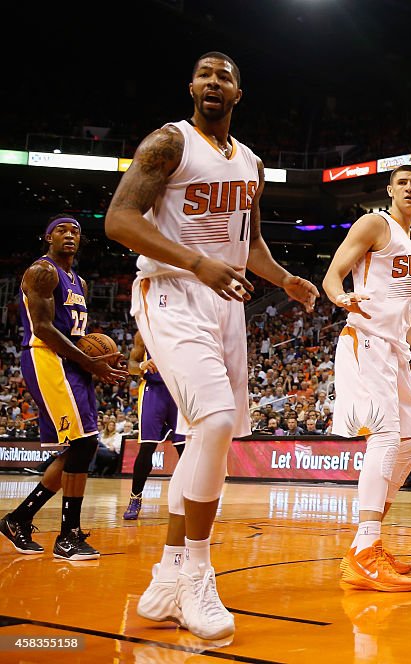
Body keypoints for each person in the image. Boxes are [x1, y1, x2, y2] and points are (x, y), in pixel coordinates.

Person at [105, 52, 320, 641]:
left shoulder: (248, 161)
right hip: (171, 289)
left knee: (209, 436)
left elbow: (247, 244)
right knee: (218, 421)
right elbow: (119, 221)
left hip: (226, 298)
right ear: (191, 87)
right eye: (203, 74)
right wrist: (198, 262)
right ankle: (198, 572)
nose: (211, 83)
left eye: (223, 76)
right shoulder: (168, 143)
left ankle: (169, 575)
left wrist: (284, 279)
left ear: (238, 93)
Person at [322, 164, 411, 592]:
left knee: (409, 446)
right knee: (384, 436)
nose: (410, 188)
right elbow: (332, 274)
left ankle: (370, 543)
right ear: (390, 189)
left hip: (395, 349)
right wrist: (341, 297)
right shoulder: (374, 224)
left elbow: (405, 310)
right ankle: (364, 552)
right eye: (403, 183)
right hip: (365, 340)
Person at [0, 215, 127, 561]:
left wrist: (104, 358)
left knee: (77, 449)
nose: (69, 235)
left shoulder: (80, 282)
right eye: (61, 230)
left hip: (72, 361)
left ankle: (18, 519)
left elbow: (77, 335)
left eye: (75, 231)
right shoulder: (43, 272)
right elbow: (42, 328)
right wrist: (90, 363)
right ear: (47, 236)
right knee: (84, 445)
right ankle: (67, 535)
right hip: (46, 358)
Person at [123, 332, 186, 520]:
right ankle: (135, 498)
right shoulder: (144, 332)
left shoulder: (182, 327)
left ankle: (188, 498)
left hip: (178, 391)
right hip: (154, 392)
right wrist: (142, 365)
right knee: (147, 447)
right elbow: (131, 366)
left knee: (184, 449)